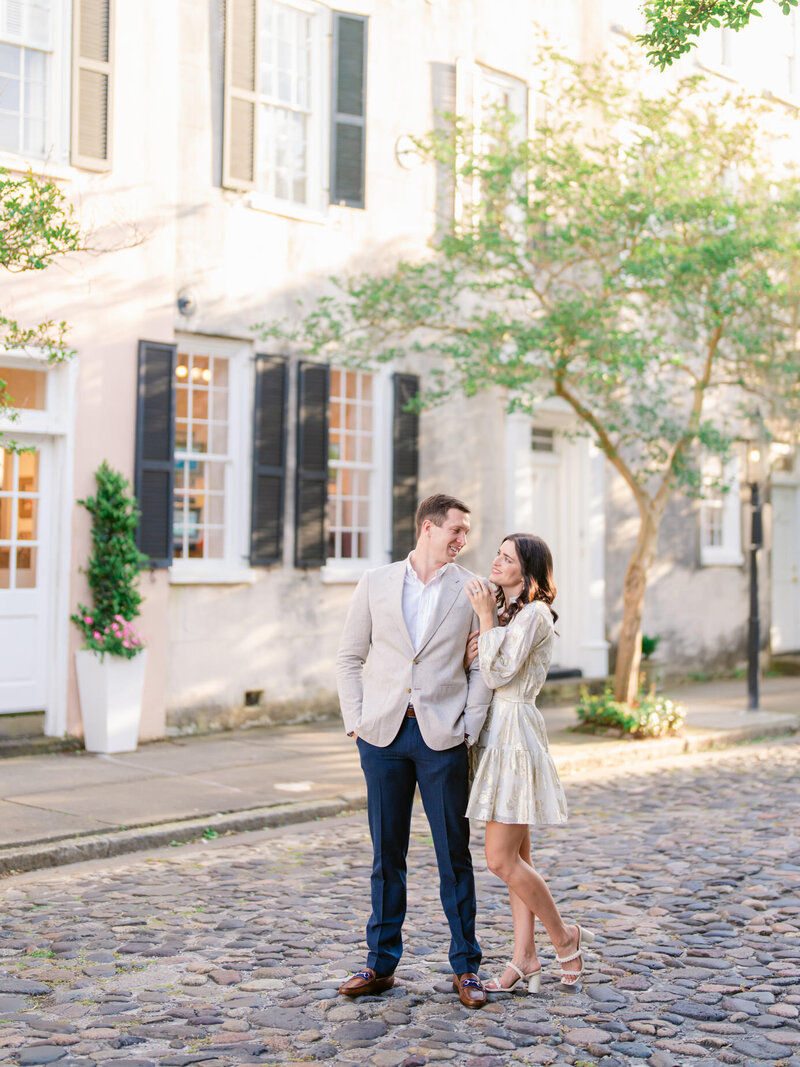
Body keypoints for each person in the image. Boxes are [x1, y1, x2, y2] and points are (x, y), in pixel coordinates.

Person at [336, 493, 493, 1008]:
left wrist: (467, 726)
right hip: (382, 737)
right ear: (428, 527)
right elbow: (349, 657)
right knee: (387, 855)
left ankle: (466, 968)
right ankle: (380, 964)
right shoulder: (375, 582)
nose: (462, 540)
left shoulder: (473, 590)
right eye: (455, 530)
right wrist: (355, 721)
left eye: (465, 533)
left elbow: (478, 668)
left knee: (454, 854)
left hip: (441, 738)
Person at [464, 533, 594, 992]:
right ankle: (525, 957)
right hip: (493, 735)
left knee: (499, 859)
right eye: (496, 554)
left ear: (529, 571)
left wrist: (483, 620)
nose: (496, 562)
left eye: (507, 558)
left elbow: (498, 673)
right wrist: (484, 628)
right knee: (520, 855)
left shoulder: (535, 614)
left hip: (515, 737)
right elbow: (478, 666)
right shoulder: (506, 613)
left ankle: (564, 937)